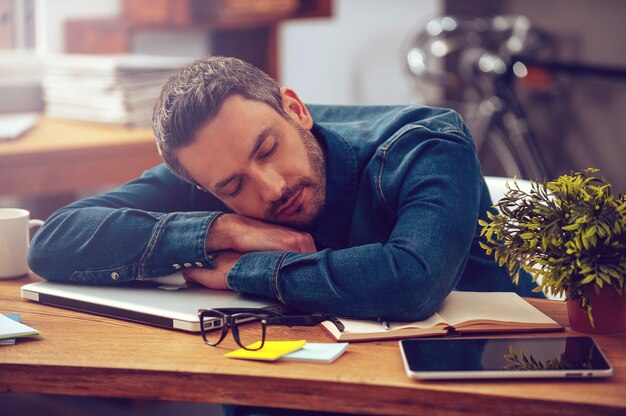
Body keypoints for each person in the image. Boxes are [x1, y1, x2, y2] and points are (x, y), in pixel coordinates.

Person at [28, 56, 539, 324]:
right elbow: (54, 242)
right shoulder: (210, 173)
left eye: (268, 150)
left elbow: (410, 283)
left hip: (478, 379)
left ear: (294, 108)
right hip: (292, 380)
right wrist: (222, 227)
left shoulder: (428, 142)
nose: (271, 188)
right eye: (232, 186)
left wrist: (244, 269)